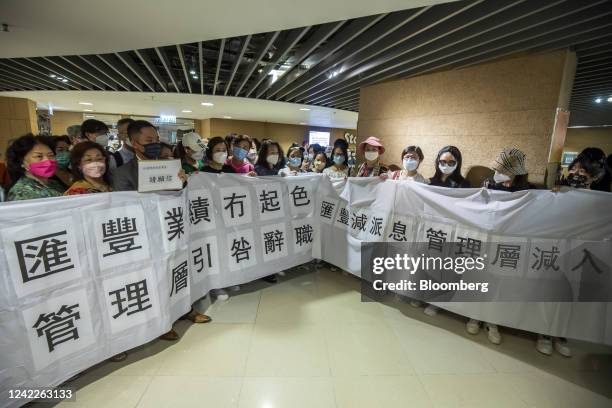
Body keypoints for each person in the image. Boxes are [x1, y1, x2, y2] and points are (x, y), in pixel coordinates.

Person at [111, 120, 186, 191]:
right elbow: (126, 202)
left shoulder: (170, 166)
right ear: (134, 144)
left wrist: (182, 183)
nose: (155, 143)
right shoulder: (122, 174)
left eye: (157, 140)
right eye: (149, 140)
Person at [6, 134, 65, 201]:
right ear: (22, 162)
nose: (47, 160)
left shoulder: (54, 184)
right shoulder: (21, 193)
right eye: (39, 156)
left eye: (51, 155)